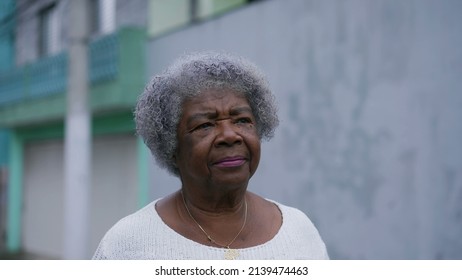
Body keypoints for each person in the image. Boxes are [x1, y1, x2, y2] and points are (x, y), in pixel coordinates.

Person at [92, 51, 328, 260]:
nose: (230, 135)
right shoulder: (127, 246)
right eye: (205, 125)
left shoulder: (299, 231)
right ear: (172, 146)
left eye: (242, 120)